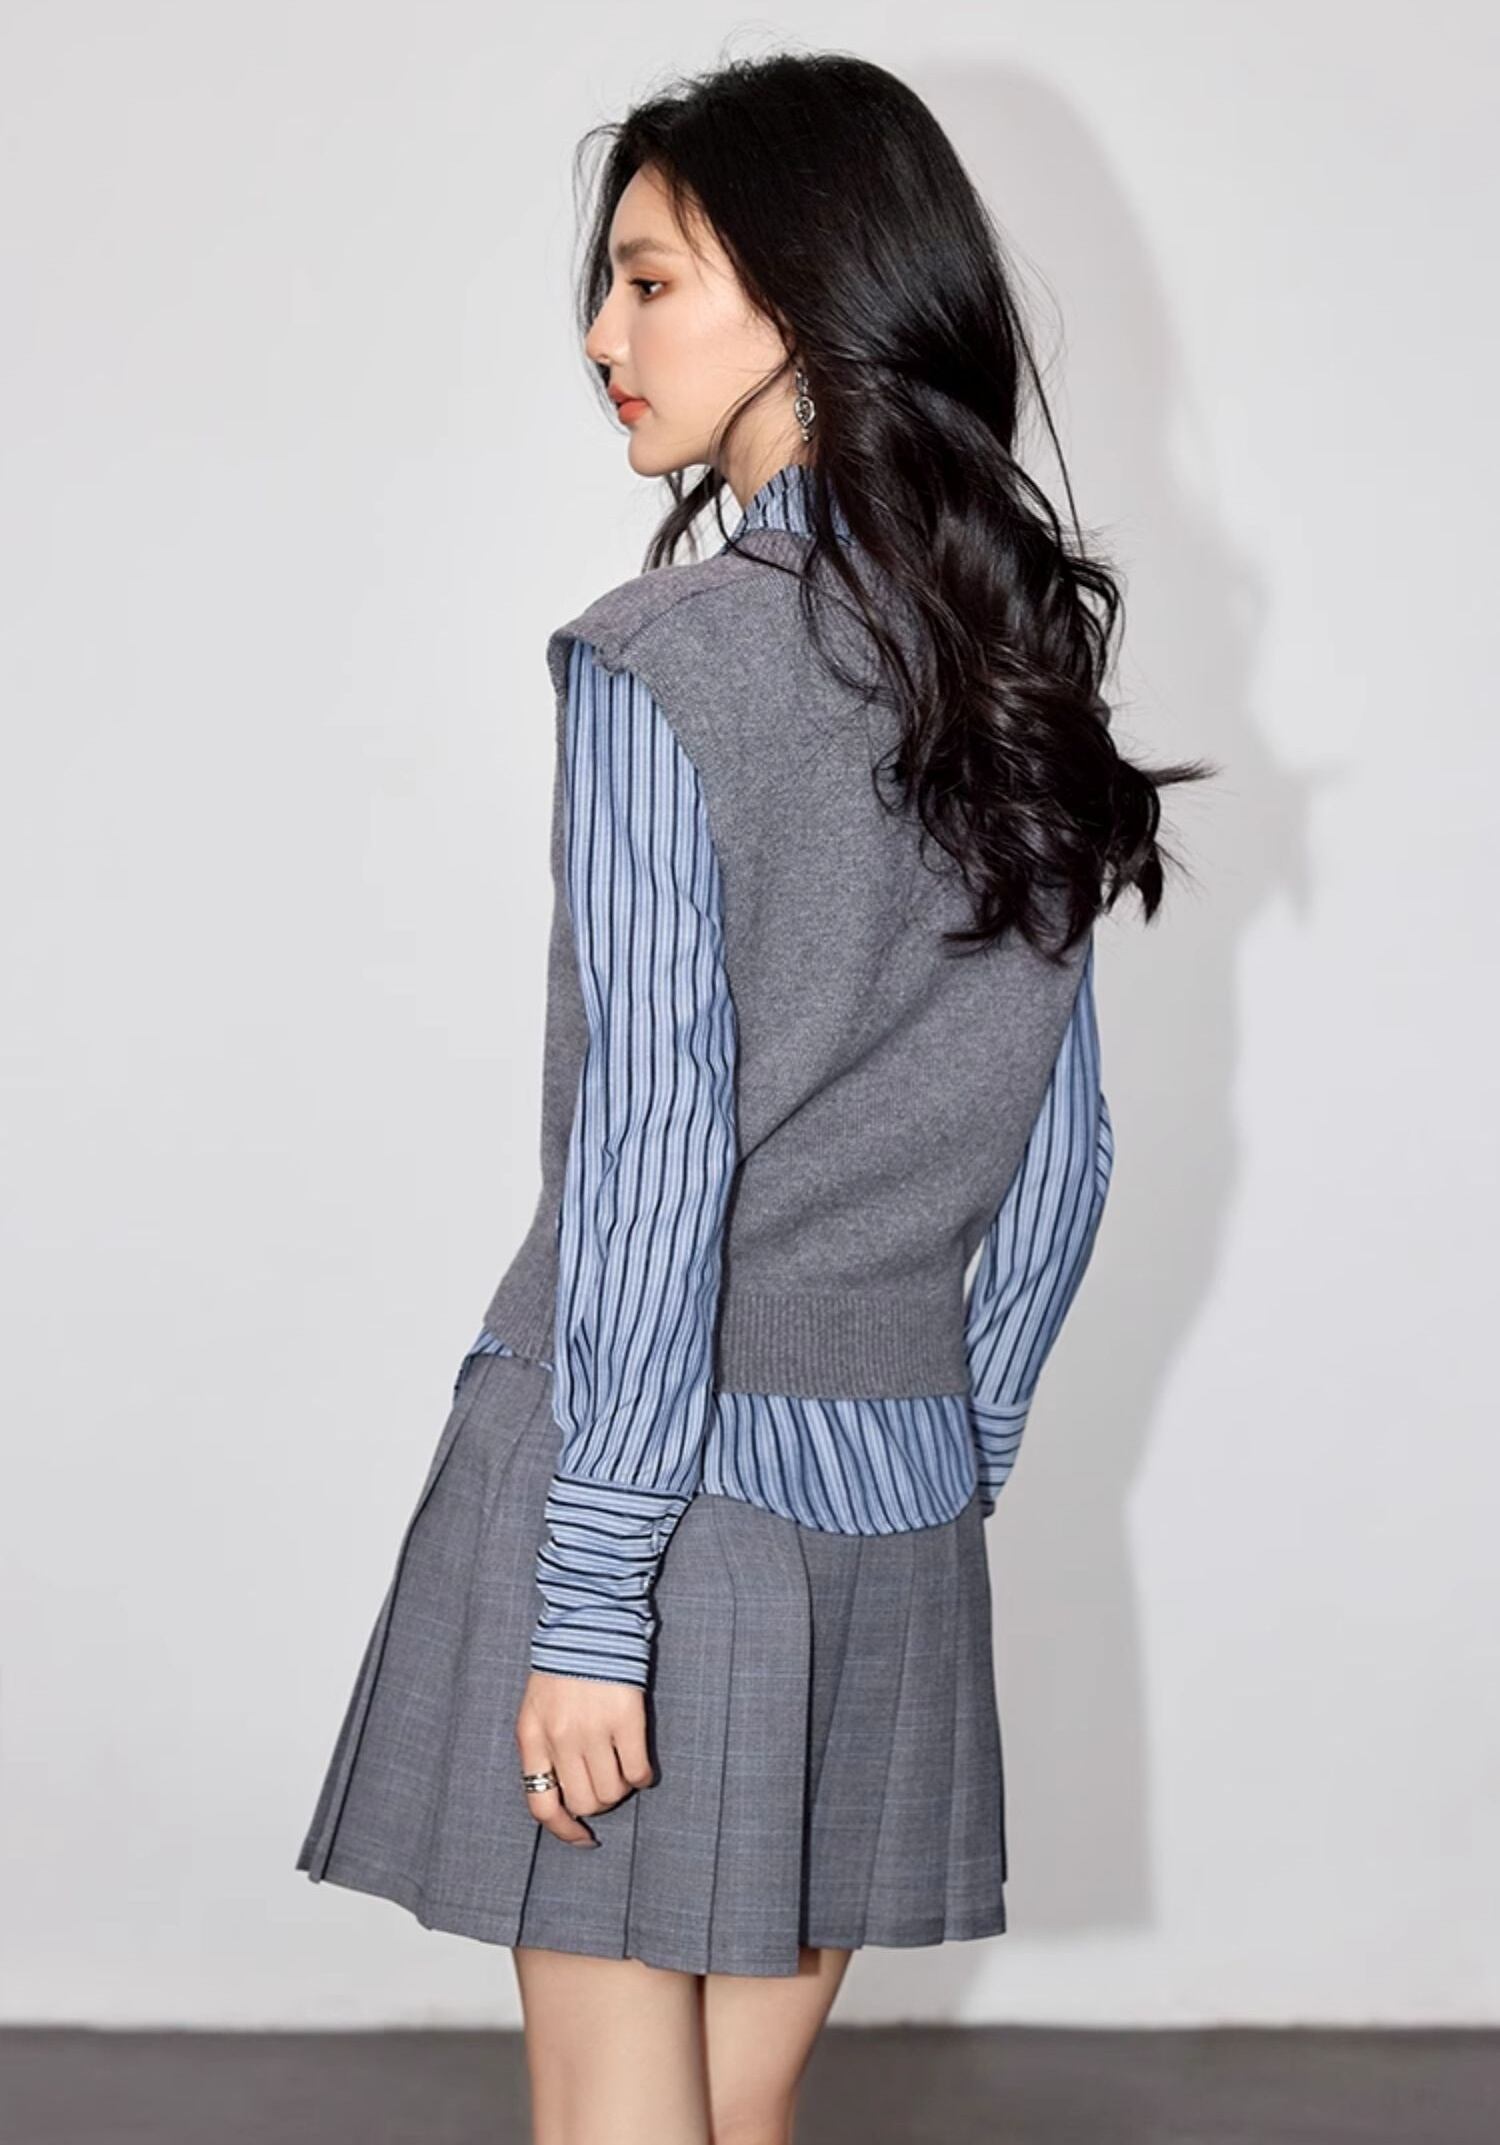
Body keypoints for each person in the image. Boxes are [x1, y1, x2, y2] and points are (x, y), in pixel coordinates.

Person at [295, 48, 1214, 2145]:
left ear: (801, 295)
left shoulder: (669, 658)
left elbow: (651, 1149)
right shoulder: (1008, 673)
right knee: (739, 2117)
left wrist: (592, 1589)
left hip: (646, 1494)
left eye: (648, 282)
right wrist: (940, 1447)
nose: (601, 336)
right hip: (887, 1498)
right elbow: (1063, 1159)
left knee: (618, 2124)